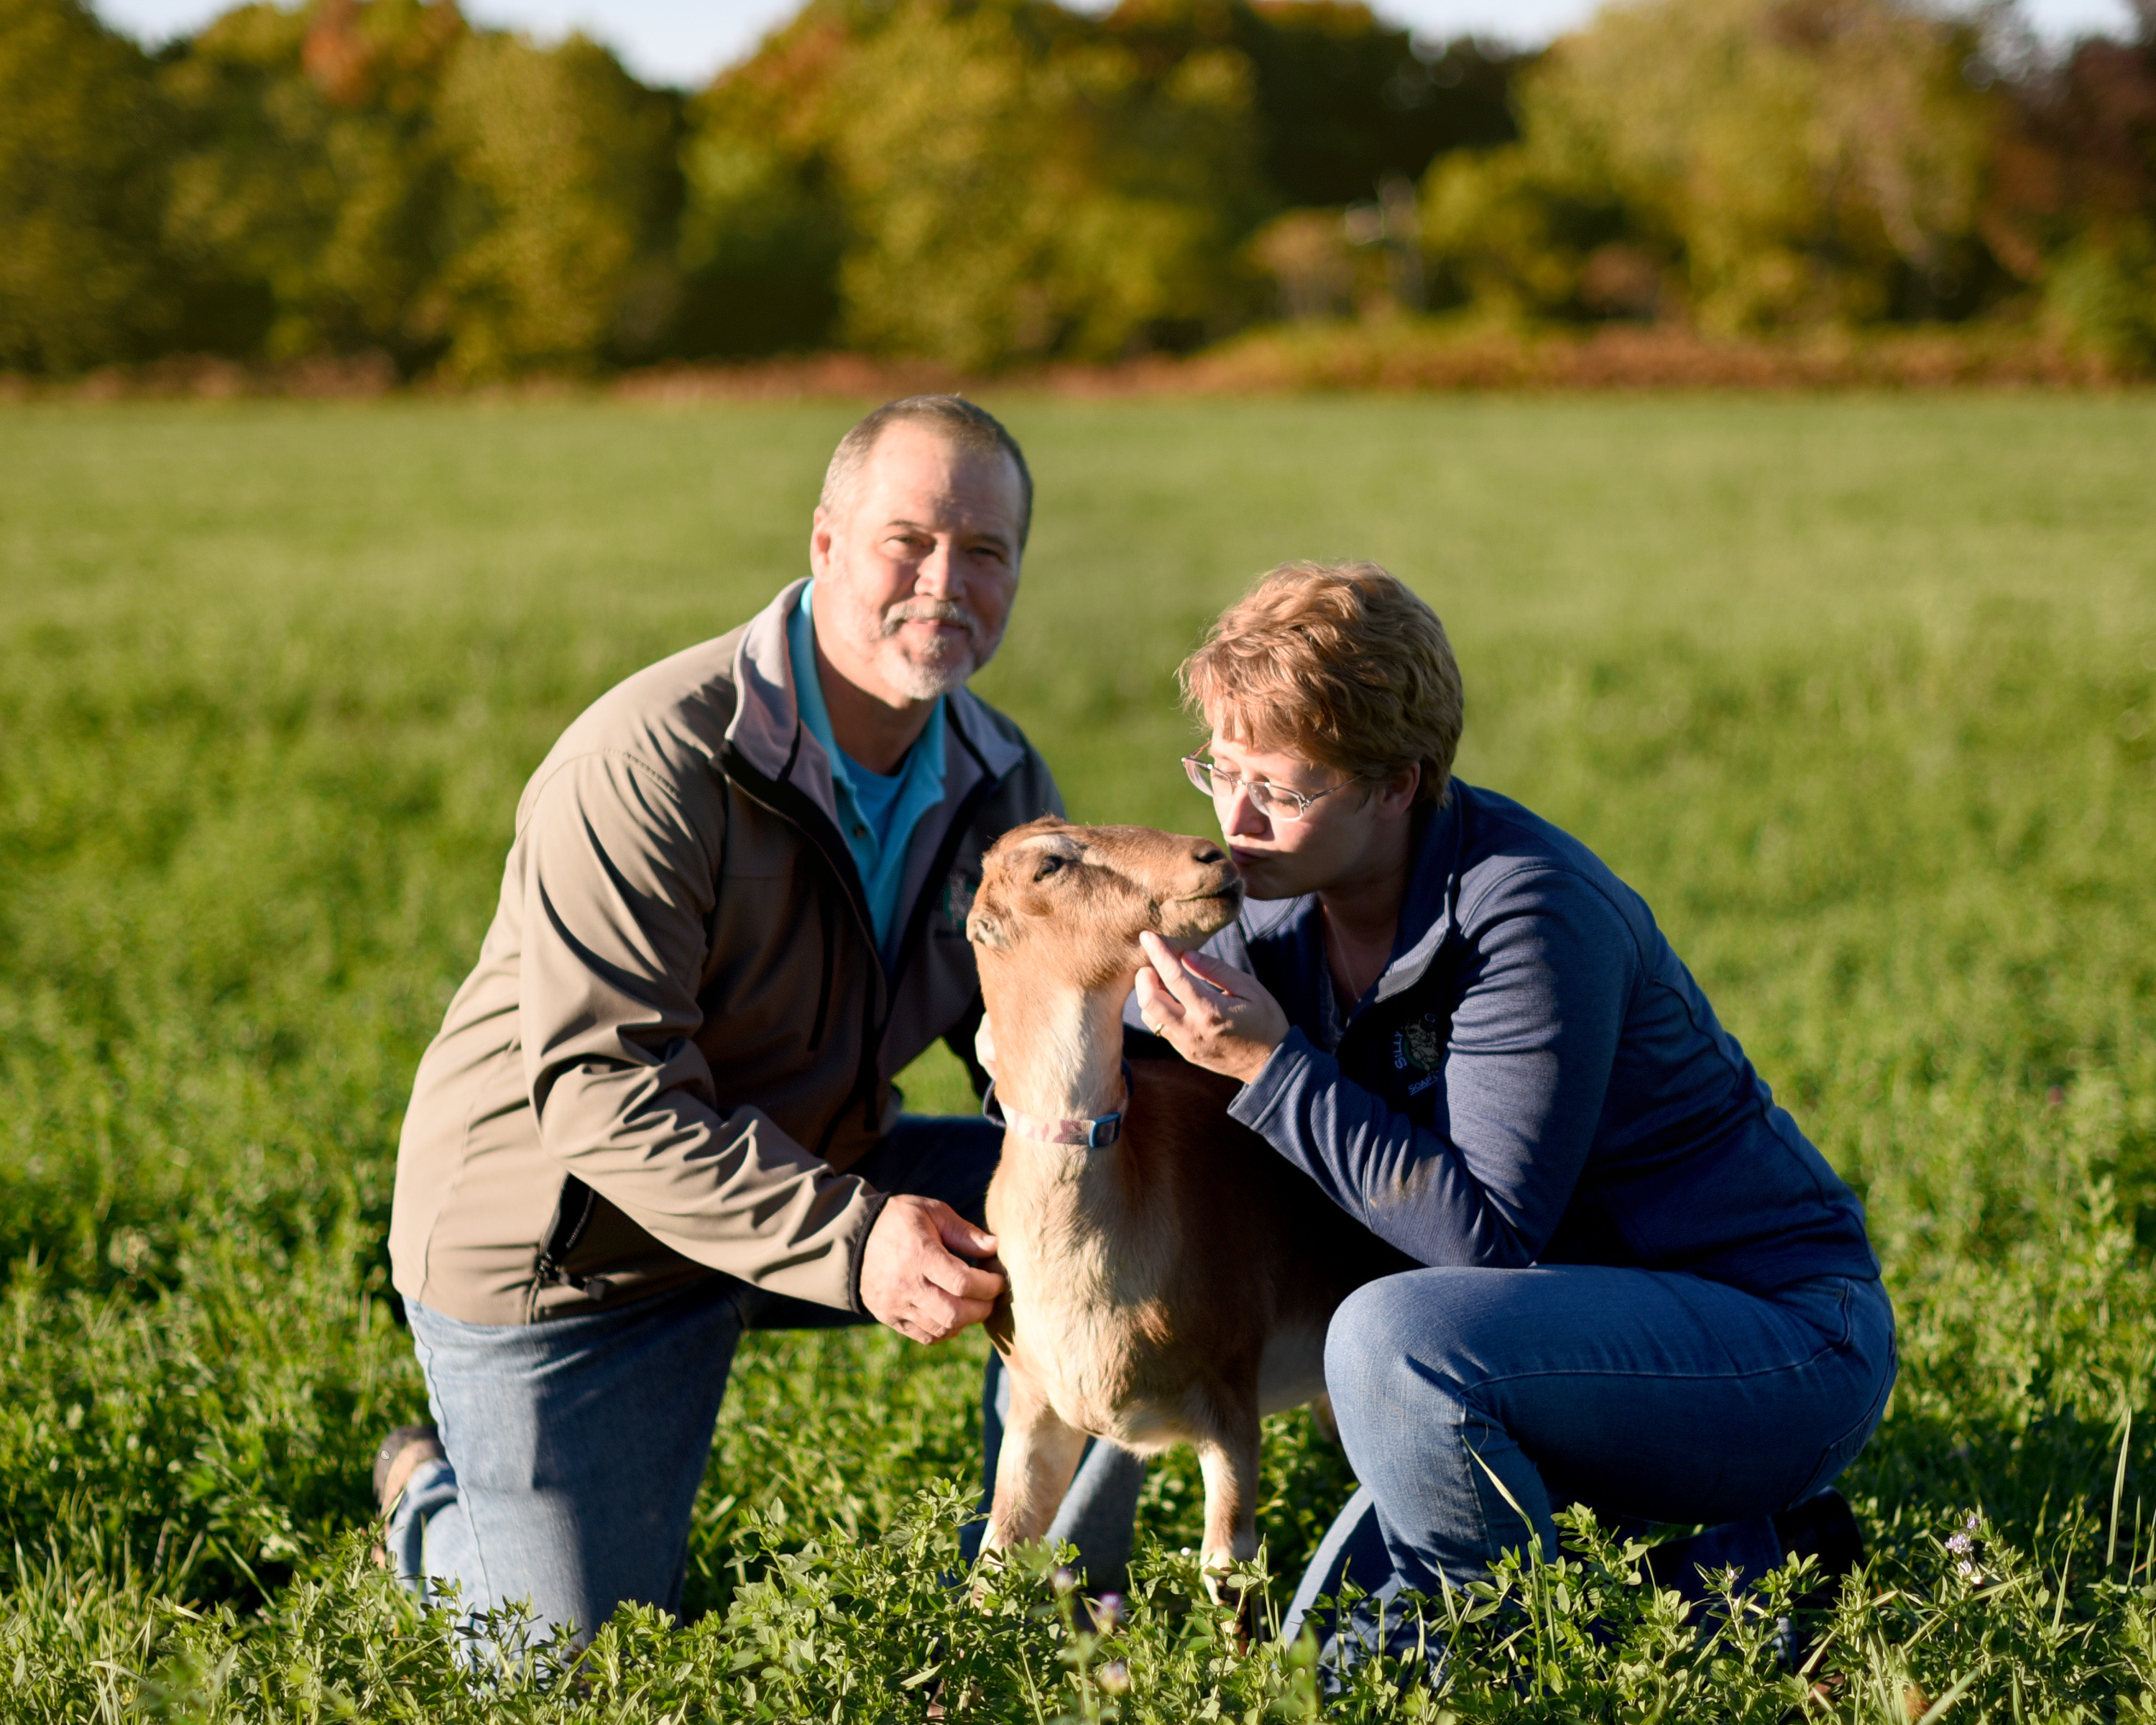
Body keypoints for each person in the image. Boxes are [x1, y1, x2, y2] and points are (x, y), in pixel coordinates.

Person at [376, 395, 1093, 1645]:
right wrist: (856, 1240)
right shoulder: (653, 760)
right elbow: (602, 1092)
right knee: (575, 1672)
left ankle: (1045, 1606)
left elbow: (1033, 1040)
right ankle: (432, 1502)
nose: (946, 582)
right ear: (823, 545)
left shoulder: (998, 779)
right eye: (906, 541)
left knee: (1096, 1209)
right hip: (573, 1243)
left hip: (815, 1155)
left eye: (986, 553)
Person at [1129, 561, 1894, 1657]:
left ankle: (1501, 1650)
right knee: (1332, 1594)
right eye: (1219, 769)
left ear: (1399, 783)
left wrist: (1269, 1065)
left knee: (1395, 1346)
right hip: (1564, 1343)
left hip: (1772, 1339)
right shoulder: (1275, 910)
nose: (1235, 820)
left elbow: (1481, 1240)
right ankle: (1735, 1563)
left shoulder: (1527, 913)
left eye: (1284, 790)